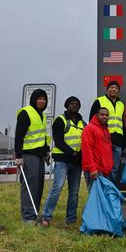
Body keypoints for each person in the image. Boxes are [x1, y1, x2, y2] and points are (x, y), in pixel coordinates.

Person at [41, 96, 85, 227]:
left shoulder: (83, 123)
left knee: (74, 192)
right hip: (62, 160)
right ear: (67, 105)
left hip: (77, 162)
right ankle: (46, 217)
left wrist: (80, 155)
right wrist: (72, 152)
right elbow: (58, 140)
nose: (74, 105)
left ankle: (71, 219)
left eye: (77, 104)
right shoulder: (60, 120)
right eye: (72, 103)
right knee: (57, 187)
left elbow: (86, 141)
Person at [14, 89, 50, 223]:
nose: (42, 101)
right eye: (39, 99)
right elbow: (19, 135)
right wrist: (18, 156)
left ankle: (34, 213)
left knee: (38, 185)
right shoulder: (26, 112)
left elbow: (43, 135)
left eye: (44, 99)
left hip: (39, 156)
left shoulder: (42, 115)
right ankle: (27, 216)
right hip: (28, 155)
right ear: (34, 99)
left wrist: (46, 151)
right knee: (29, 185)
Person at [89, 81, 124, 183]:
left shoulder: (121, 104)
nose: (113, 89)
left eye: (116, 88)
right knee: (104, 166)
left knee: (115, 168)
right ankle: (104, 189)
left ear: (118, 91)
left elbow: (122, 122)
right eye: (111, 87)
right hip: (103, 139)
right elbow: (92, 119)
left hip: (117, 141)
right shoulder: (99, 101)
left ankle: (110, 189)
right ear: (107, 89)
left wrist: (123, 139)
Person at [82, 107, 113, 192]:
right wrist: (92, 169)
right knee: (95, 198)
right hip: (95, 170)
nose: (105, 117)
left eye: (106, 115)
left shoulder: (106, 129)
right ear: (96, 116)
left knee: (102, 198)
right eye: (102, 114)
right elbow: (87, 150)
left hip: (104, 170)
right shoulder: (90, 128)